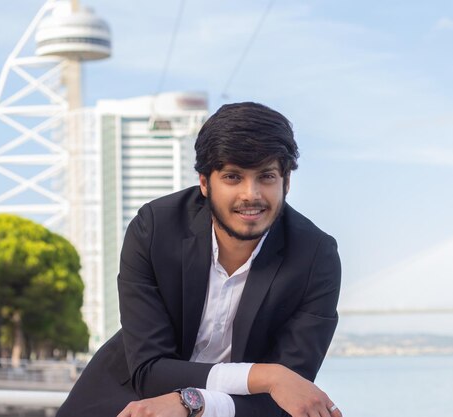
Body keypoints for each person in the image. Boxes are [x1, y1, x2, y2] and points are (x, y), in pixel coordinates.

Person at [57, 102, 342, 417]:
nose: (251, 194)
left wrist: (195, 403)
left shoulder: (316, 258)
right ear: (205, 183)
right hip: (127, 401)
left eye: (266, 177)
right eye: (233, 177)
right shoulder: (154, 229)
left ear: (286, 182)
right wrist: (268, 376)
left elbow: (291, 394)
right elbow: (149, 370)